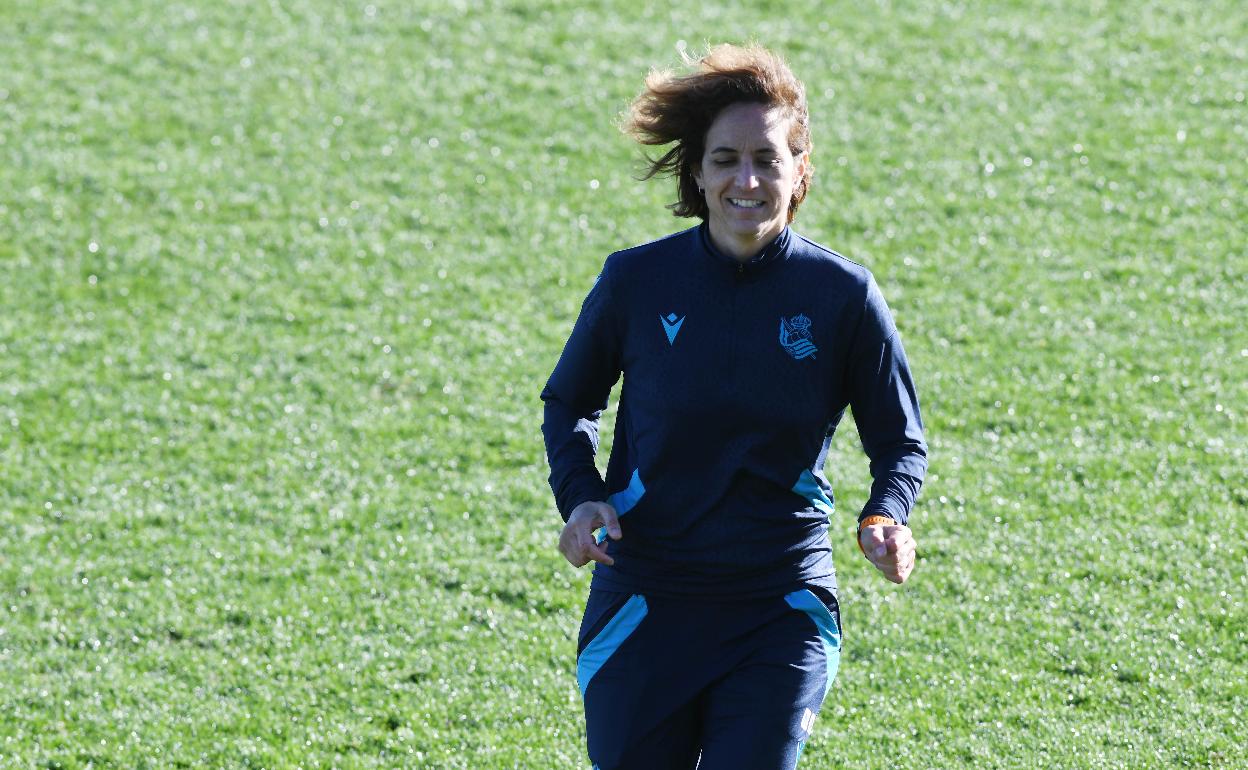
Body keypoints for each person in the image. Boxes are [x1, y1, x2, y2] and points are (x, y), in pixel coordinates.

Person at [540, 43, 927, 770]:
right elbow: (568, 403)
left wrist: (886, 515)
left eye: (767, 158)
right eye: (725, 159)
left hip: (779, 605)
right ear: (697, 171)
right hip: (645, 597)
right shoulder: (636, 283)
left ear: (799, 169)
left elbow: (899, 440)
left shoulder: (842, 298)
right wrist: (582, 499)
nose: (746, 179)